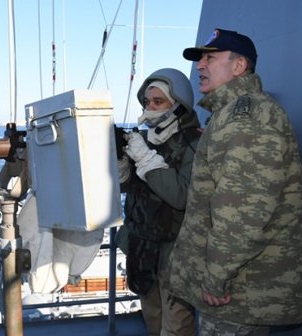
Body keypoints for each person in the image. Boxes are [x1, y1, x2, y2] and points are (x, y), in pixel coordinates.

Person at [168, 28, 302, 335]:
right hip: (237, 293)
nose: (200, 66)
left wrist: (216, 277)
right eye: (200, 59)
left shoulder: (247, 116)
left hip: (236, 296)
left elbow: (242, 212)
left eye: (210, 57)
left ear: (238, 66)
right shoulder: (229, 115)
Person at [116, 68, 201, 335]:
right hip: (143, 245)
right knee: (152, 318)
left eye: (158, 101)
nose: (149, 107)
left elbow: (179, 196)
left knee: (175, 325)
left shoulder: (195, 142)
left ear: (178, 105)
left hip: (175, 251)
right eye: (147, 102)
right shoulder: (144, 140)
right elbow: (129, 187)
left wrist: (144, 158)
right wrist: (120, 164)